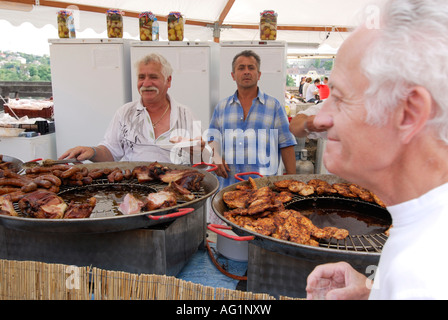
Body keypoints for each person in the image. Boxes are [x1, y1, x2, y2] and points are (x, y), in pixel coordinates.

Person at [306, 0, 448, 300]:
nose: (320, 118)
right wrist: (372, 291)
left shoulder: (427, 276)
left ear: (408, 113)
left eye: (341, 97)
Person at [59, 53, 202, 164]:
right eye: (141, 77)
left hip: (176, 193)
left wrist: (197, 152)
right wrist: (92, 152)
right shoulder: (125, 113)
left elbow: (201, 160)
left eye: (153, 77)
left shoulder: (186, 114)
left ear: (168, 80)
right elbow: (110, 152)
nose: (146, 83)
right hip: (134, 190)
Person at [207, 50, 296, 190]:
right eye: (241, 68)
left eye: (251, 67)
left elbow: (286, 144)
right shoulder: (222, 107)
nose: (246, 72)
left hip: (264, 190)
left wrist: (292, 182)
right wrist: (215, 156)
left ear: (259, 74)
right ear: (233, 75)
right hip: (227, 187)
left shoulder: (274, 106)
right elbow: (212, 139)